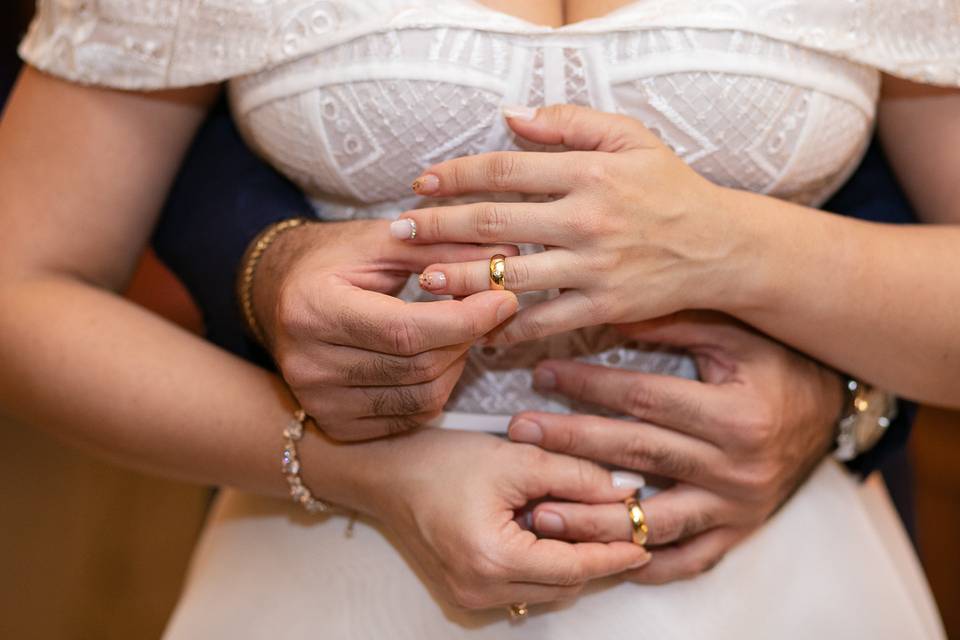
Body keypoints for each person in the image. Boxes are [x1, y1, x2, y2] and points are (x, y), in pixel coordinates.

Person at [0, 1, 950, 638]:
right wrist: (356, 470)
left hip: (771, 582)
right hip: (335, 571)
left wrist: (740, 250)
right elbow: (24, 283)